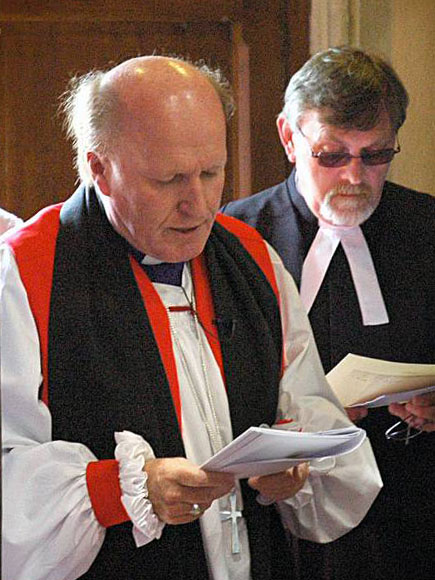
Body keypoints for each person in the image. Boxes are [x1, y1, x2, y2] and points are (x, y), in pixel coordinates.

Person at [0, 55, 382, 580]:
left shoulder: (252, 259)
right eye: (170, 179)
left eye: (211, 172)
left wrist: (296, 468)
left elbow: (314, 418)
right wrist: (120, 489)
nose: (199, 206)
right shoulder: (25, 274)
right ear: (98, 169)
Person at [222, 46, 435, 580]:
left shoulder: (427, 227)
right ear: (289, 138)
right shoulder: (234, 236)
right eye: (332, 155)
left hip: (413, 504)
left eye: (376, 155)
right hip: (282, 503)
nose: (356, 177)